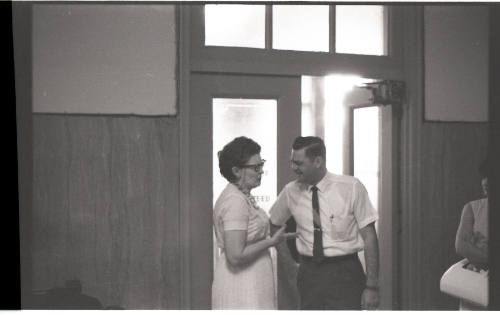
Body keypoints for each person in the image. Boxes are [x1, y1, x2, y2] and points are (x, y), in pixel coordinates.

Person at [269, 136, 380, 310]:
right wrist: (289, 263)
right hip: (309, 273)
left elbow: (370, 237)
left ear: (318, 161)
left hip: (345, 272)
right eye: (292, 162)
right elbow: (274, 223)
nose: (293, 168)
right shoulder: (291, 191)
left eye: (299, 163)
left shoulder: (351, 187)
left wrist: (371, 286)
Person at [212, 136, 297, 310]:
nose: (261, 171)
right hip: (241, 285)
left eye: (261, 165)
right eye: (256, 167)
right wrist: (271, 242)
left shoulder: (241, 195)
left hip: (251, 281)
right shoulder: (234, 201)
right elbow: (235, 256)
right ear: (236, 171)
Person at [455, 159, 489, 310]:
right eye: (484, 176)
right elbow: (461, 245)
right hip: (476, 288)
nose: (485, 181)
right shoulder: (472, 208)